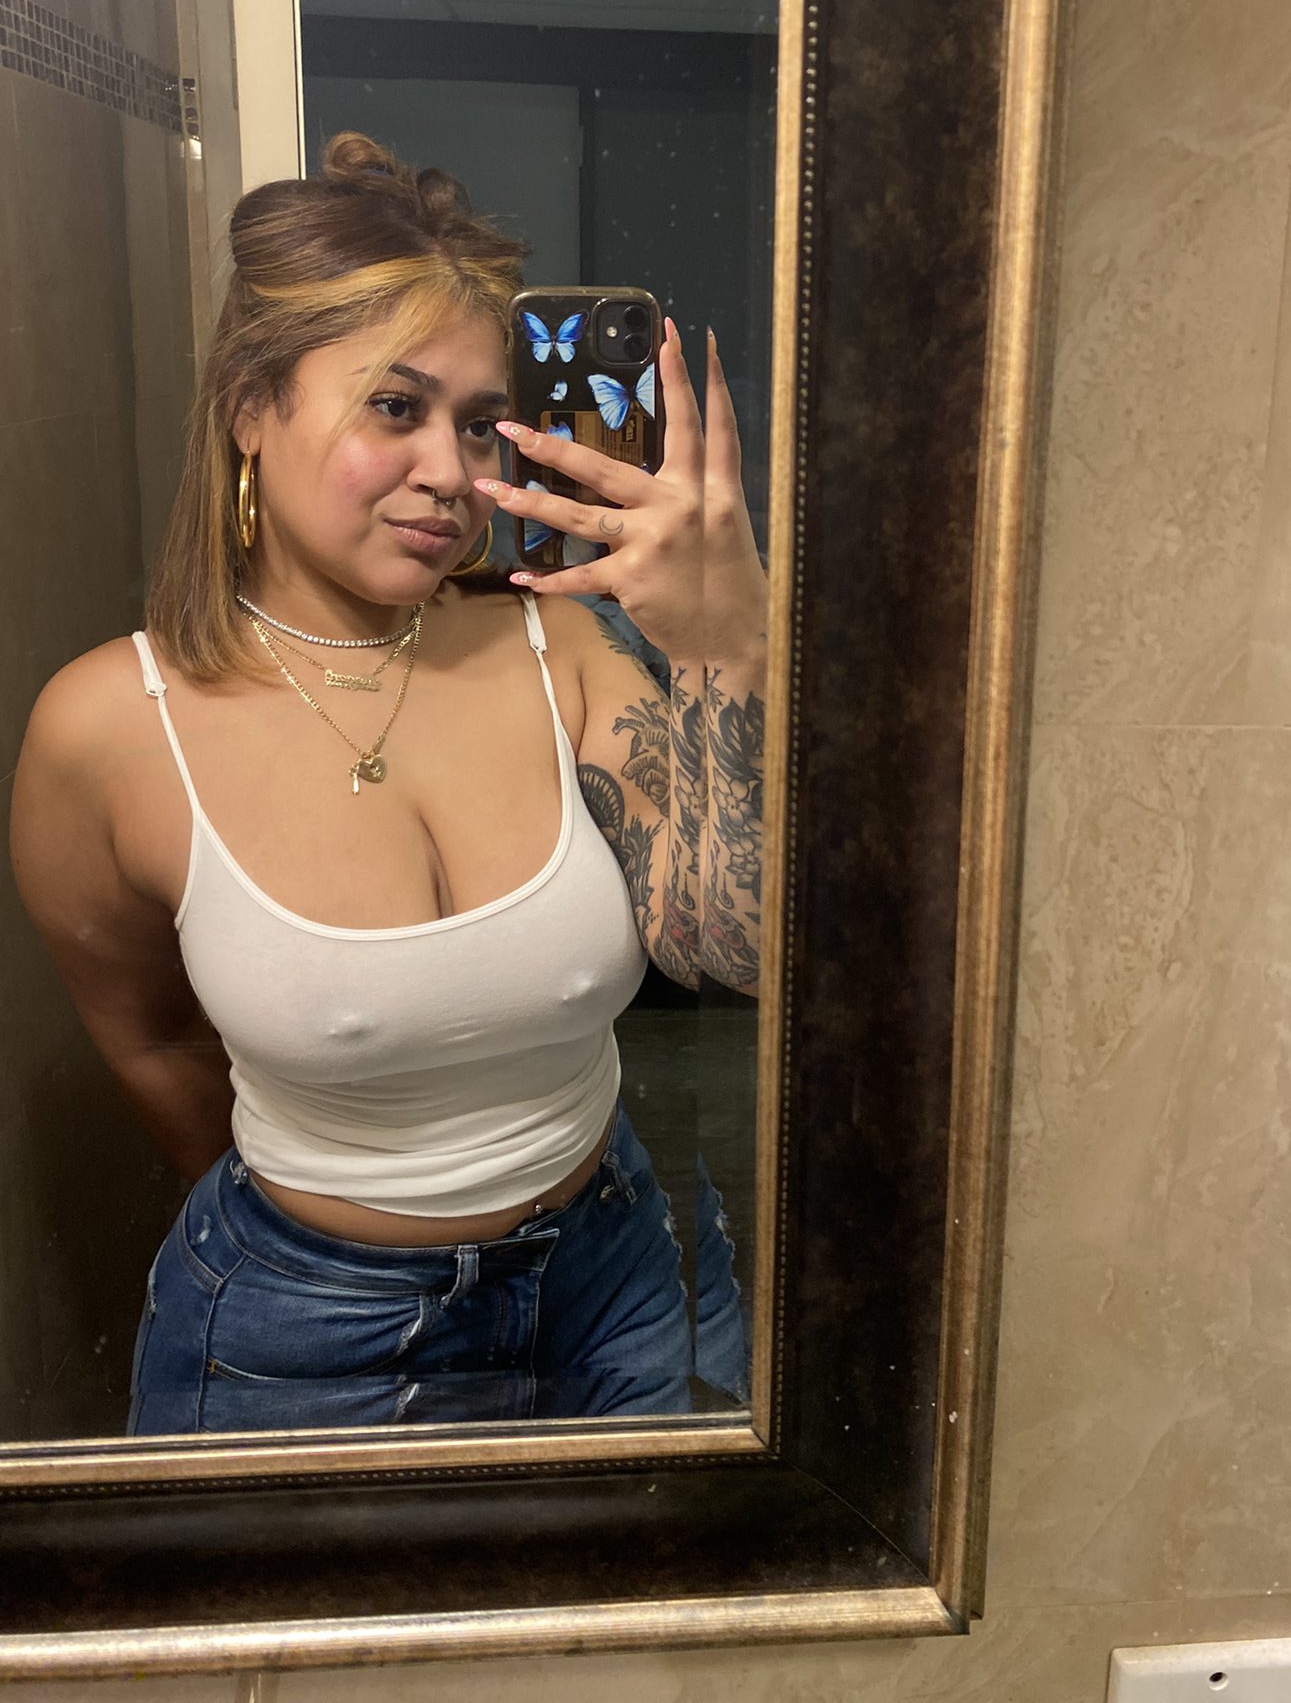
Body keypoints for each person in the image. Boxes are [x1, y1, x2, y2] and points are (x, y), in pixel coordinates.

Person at [8, 133, 767, 1435]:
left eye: (478, 423)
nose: (453, 476)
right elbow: (150, 1040)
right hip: (302, 1336)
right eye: (396, 408)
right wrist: (332, 1219)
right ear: (250, 407)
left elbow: (728, 943)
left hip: (617, 1284)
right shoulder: (109, 730)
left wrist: (725, 644)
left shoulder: (566, 646)